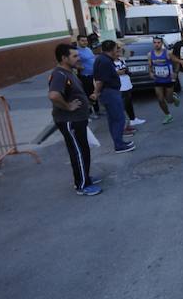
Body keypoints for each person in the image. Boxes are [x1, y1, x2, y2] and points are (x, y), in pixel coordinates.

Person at [49, 44, 100, 196]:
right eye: (75, 56)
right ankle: (81, 185)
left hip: (78, 119)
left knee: (83, 149)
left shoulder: (69, 72)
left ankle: (85, 178)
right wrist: (68, 107)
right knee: (77, 151)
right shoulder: (59, 74)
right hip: (69, 120)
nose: (79, 58)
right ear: (64, 58)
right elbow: (53, 95)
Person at [91, 40, 134, 154]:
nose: (117, 51)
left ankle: (119, 142)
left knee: (113, 119)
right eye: (116, 48)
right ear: (111, 49)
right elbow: (100, 80)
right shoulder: (104, 61)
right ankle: (119, 145)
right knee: (118, 119)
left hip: (110, 92)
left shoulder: (102, 59)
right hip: (110, 93)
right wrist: (96, 92)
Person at [148, 36, 179, 124]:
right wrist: (150, 73)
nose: (156, 44)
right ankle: (168, 115)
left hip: (168, 79)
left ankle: (173, 97)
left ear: (162, 44)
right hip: (158, 79)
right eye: (155, 42)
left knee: (169, 100)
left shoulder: (168, 53)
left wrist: (175, 72)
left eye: (158, 42)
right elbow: (150, 66)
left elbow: (176, 62)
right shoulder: (150, 54)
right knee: (160, 99)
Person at [115, 44, 145, 131]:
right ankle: (123, 124)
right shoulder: (111, 62)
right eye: (117, 50)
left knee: (128, 102)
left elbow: (127, 52)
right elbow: (113, 73)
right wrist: (119, 72)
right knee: (122, 105)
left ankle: (133, 119)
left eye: (120, 50)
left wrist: (126, 71)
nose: (120, 52)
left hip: (126, 83)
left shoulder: (121, 60)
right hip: (120, 86)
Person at [75, 34, 100, 118]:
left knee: (95, 92)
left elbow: (92, 59)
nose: (85, 42)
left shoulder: (88, 49)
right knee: (88, 94)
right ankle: (89, 113)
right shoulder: (76, 51)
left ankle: (97, 110)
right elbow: (73, 63)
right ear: (78, 41)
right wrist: (79, 67)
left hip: (94, 75)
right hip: (85, 76)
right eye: (82, 40)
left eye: (86, 40)